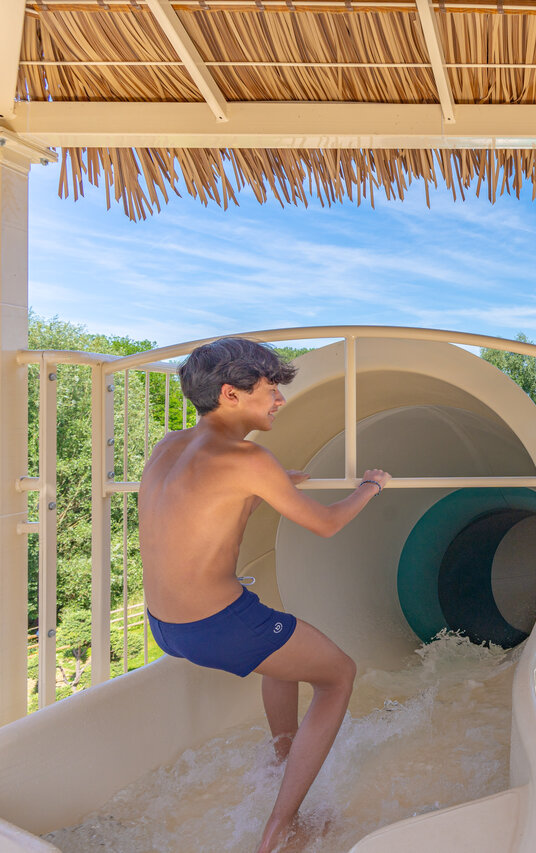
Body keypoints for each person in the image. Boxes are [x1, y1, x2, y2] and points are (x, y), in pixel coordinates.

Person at [139, 337, 391, 853]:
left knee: (285, 652)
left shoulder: (168, 445)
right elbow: (323, 524)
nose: (279, 400)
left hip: (165, 626)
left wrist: (265, 489)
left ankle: (283, 759)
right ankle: (283, 828)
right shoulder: (247, 456)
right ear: (231, 394)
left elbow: (198, 517)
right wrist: (371, 487)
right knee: (338, 674)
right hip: (220, 624)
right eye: (270, 388)